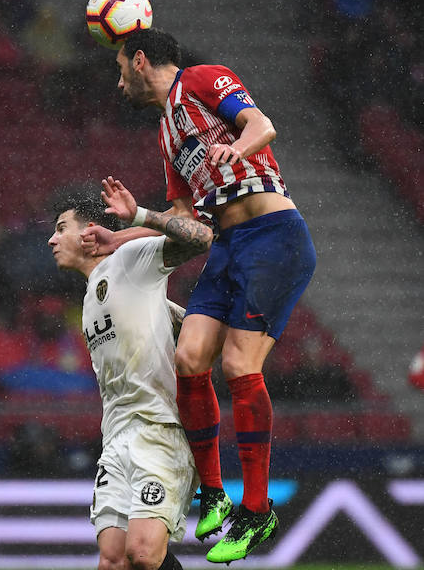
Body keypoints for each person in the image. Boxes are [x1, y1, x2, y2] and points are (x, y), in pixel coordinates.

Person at [83, 28, 317, 563]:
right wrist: (127, 231)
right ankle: (212, 492)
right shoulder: (167, 134)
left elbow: (262, 125)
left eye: (121, 70)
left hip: (272, 235)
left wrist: (233, 151)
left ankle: (257, 511)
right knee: (189, 356)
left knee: (238, 364)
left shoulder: (204, 79)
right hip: (229, 246)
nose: (119, 84)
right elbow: (185, 219)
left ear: (141, 60)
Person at [48, 183, 213, 570]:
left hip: (158, 428)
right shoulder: (90, 296)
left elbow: (201, 234)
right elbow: (155, 313)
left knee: (142, 554)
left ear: (89, 232)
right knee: (112, 560)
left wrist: (138, 219)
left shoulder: (130, 259)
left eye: (60, 228)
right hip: (116, 436)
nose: (51, 238)